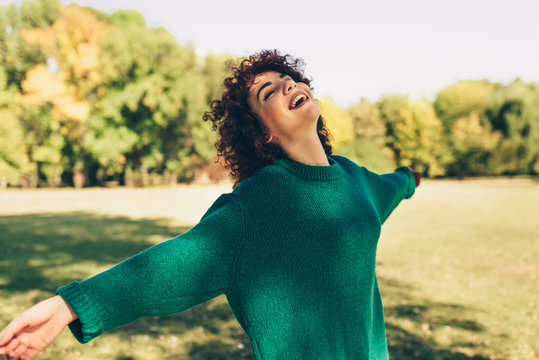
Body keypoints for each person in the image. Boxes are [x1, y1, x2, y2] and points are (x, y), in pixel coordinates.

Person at [0, 49, 421, 360]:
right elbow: (172, 265)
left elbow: (392, 186)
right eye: (269, 91)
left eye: (287, 78)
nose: (288, 85)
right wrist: (72, 304)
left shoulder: (355, 179)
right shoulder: (256, 205)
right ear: (264, 135)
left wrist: (410, 178)